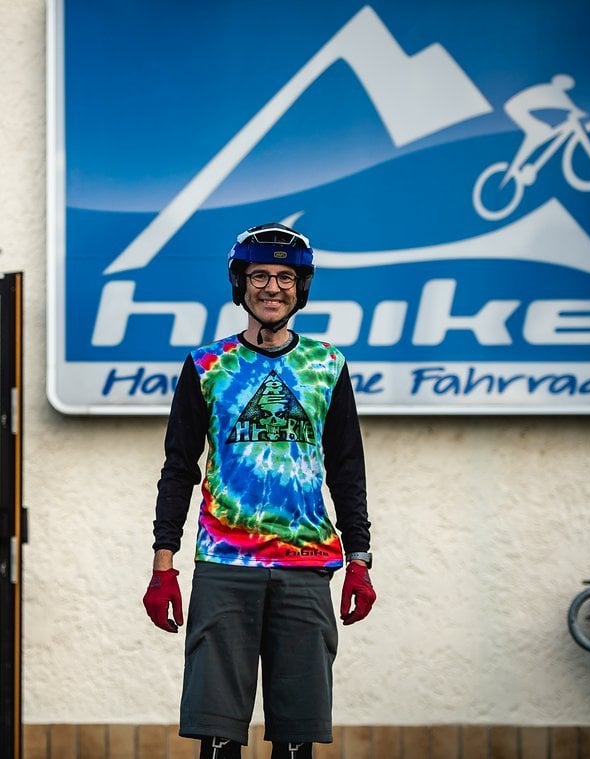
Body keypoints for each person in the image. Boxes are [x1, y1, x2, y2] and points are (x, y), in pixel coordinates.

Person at [141, 222, 375, 759]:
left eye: (285, 278)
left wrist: (359, 559)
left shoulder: (327, 365)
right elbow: (179, 468)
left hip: (307, 565)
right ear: (240, 284)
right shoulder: (207, 365)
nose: (272, 287)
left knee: (296, 742)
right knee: (218, 738)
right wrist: (163, 565)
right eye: (260, 276)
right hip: (226, 567)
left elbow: (347, 470)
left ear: (301, 288)